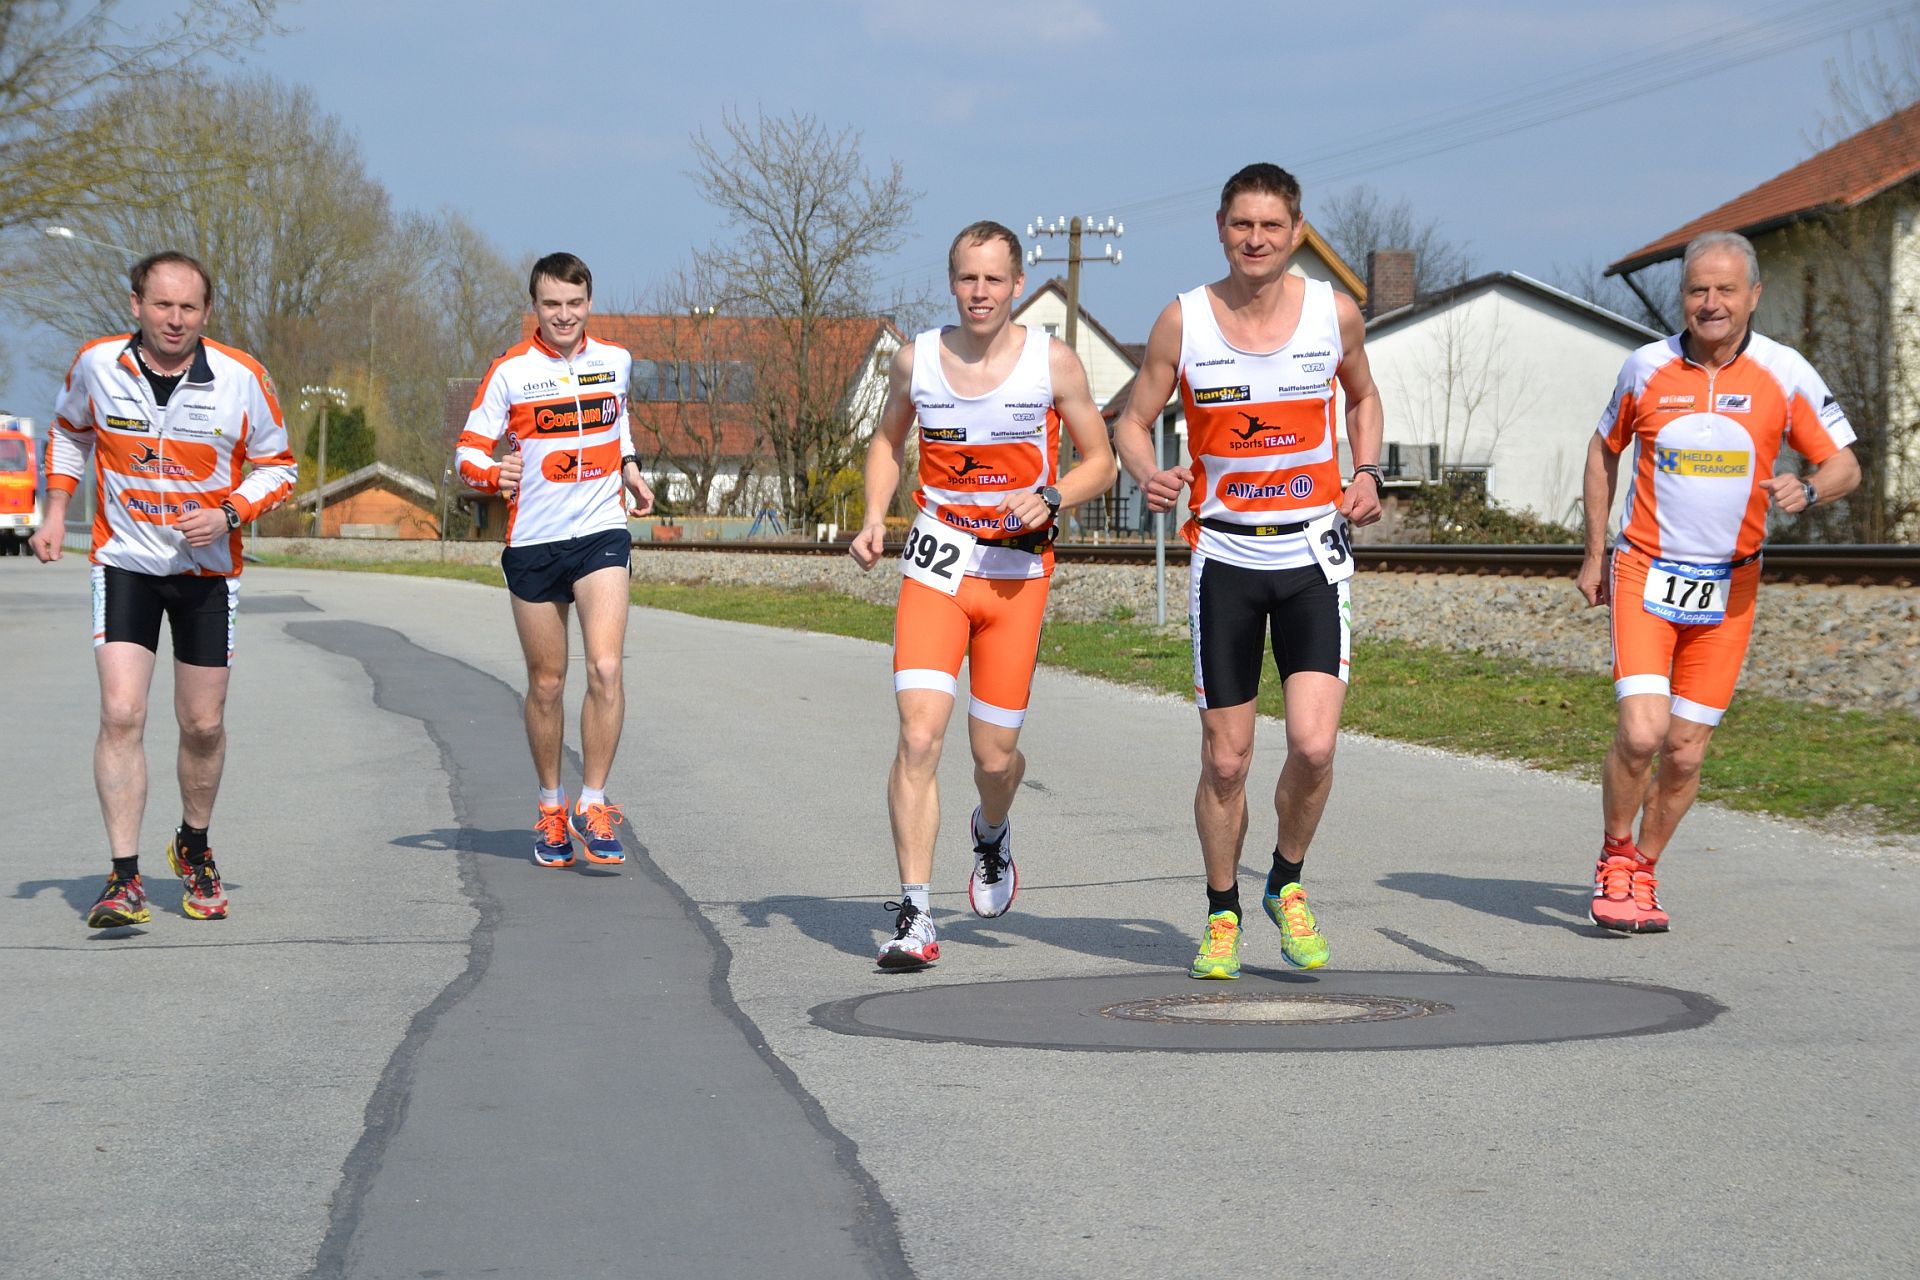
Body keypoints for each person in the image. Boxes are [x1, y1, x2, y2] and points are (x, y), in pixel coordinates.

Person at [1111, 163, 1384, 980]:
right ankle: (1223, 908)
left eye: (1270, 226)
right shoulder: (1184, 321)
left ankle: (1286, 882)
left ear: (1296, 232)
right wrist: (1146, 472)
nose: (1255, 240)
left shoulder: (1334, 315)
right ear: (1221, 230)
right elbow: (1133, 420)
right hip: (1225, 556)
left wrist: (1367, 470)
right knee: (1226, 760)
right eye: (1242, 225)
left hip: (1311, 556)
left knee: (1314, 744)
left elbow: (1364, 397)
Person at [850, 220, 1116, 970]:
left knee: (993, 760)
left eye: (994, 279)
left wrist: (1053, 495)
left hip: (1015, 579)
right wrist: (873, 516)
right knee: (918, 737)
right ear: (951, 281)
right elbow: (886, 440)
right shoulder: (916, 361)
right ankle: (915, 914)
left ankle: (991, 832)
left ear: (1017, 284)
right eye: (968, 277)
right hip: (935, 570)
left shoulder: (1052, 363)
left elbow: (1101, 461)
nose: (980, 292)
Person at [1576, 230, 1858, 933]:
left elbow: (1845, 465)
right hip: (1645, 572)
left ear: (1753, 295)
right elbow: (1603, 451)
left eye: (1726, 290)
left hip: (1730, 589)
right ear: (1683, 297)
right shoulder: (1646, 368)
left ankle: (1644, 869)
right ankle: (1615, 856)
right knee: (1642, 733)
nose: (1711, 303)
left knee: (1685, 750)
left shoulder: (1784, 372)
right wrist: (1593, 552)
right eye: (1697, 289)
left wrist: (1810, 489)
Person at [32, 251, 297, 930]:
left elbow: (279, 466)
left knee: (202, 724)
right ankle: (123, 879)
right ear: (136, 305)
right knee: (121, 713)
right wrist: (56, 510)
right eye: (161, 305)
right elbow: (69, 432)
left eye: (188, 307)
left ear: (206, 312)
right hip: (125, 562)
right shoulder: (97, 364)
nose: (174, 320)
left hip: (205, 572)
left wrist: (230, 512)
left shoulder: (242, 378)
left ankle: (194, 846)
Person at [455, 252, 654, 868]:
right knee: (547, 683)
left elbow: (619, 423)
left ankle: (592, 802)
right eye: (551, 305)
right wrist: (493, 472)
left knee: (606, 667)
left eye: (574, 304)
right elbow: (466, 452)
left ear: (588, 303)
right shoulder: (510, 372)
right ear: (535, 307)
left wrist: (630, 466)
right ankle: (550, 808)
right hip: (534, 543)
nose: (564, 316)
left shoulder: (615, 361)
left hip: (601, 532)